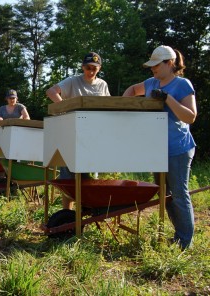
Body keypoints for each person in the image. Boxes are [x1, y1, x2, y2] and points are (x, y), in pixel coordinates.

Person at [123, 45, 197, 249]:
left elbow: (190, 116)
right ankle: (178, 235)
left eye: (156, 65)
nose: (152, 69)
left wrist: (167, 99)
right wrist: (124, 105)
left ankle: (185, 242)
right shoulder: (150, 83)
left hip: (177, 149)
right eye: (151, 65)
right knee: (165, 194)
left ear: (169, 63)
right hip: (156, 149)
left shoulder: (182, 84)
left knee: (179, 194)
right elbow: (132, 90)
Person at [46, 52, 110, 210]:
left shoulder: (102, 85)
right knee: (68, 177)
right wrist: (66, 108)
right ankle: (67, 213)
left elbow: (108, 105)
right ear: (83, 67)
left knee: (86, 176)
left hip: (92, 137)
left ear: (99, 68)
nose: (91, 71)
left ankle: (83, 210)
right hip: (70, 134)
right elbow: (51, 92)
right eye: (88, 67)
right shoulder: (73, 81)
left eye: (94, 68)